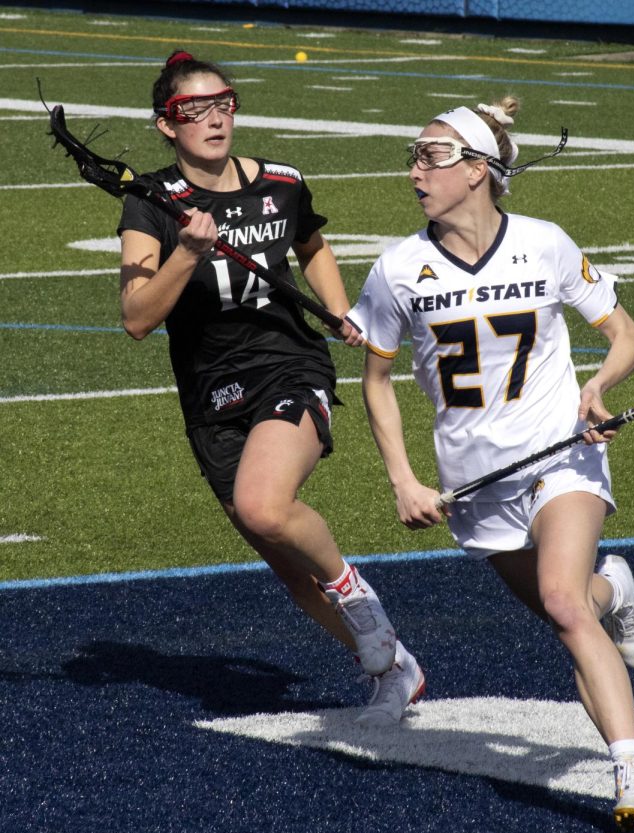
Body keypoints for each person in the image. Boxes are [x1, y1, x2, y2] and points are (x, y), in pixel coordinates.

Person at [350, 98, 634, 833]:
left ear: (477, 170)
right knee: (576, 607)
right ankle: (614, 587)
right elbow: (375, 381)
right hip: (474, 484)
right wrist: (402, 477)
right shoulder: (398, 269)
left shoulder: (545, 243)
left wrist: (598, 387)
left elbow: (630, 337)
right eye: (415, 154)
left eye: (431, 155)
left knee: (561, 602)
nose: (415, 171)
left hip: (563, 455)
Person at [117, 50, 424, 726]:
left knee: (262, 505)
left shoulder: (282, 181)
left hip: (288, 366)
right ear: (166, 126)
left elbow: (311, 245)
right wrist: (188, 252)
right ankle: (393, 666)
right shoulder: (151, 204)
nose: (213, 118)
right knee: (287, 566)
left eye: (222, 102)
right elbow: (138, 317)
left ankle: (361, 601)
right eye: (192, 110)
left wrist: (341, 308)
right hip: (209, 397)